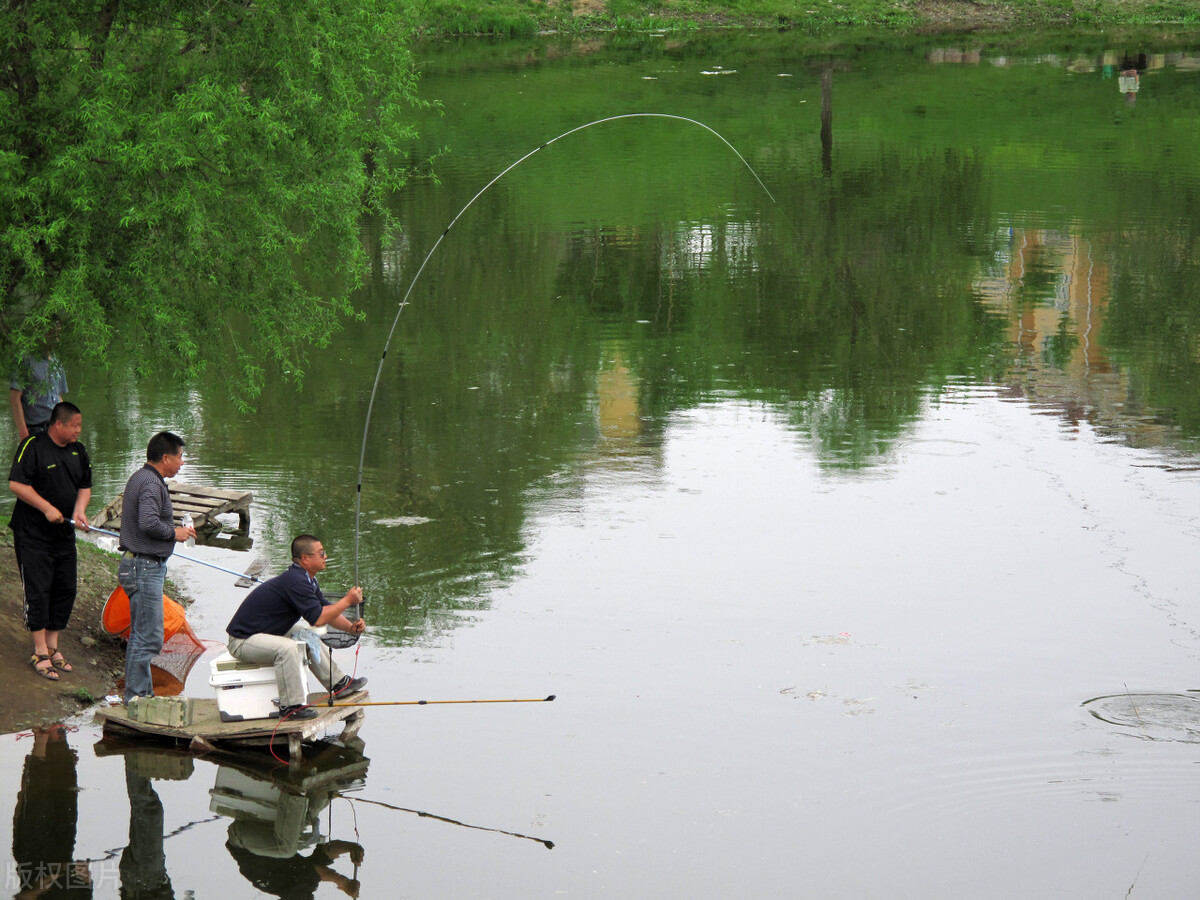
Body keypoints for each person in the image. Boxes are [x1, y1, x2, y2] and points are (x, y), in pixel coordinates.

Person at [225, 534, 366, 721]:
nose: (325, 556)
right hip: (243, 640)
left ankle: (339, 684)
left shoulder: (307, 579)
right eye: (321, 553)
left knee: (308, 636)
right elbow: (318, 619)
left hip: (268, 633)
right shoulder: (296, 581)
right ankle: (291, 707)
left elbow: (325, 610)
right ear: (305, 558)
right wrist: (347, 600)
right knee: (288, 648)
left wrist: (350, 627)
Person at [8, 401, 92, 681]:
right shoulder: (32, 446)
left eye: (80, 426)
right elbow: (16, 484)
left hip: (64, 535)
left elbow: (84, 486)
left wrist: (79, 511)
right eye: (75, 426)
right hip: (33, 535)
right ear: (58, 424)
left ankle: (54, 646)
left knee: (65, 589)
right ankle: (40, 651)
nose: (78, 431)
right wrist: (45, 507)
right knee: (39, 590)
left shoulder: (79, 451)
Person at [117, 431, 196, 705]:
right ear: (165, 458)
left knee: (142, 634)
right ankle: (138, 697)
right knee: (149, 636)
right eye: (180, 457)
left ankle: (138, 694)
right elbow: (148, 523)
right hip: (144, 567)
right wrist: (175, 533)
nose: (182, 462)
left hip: (139, 565)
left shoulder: (142, 477)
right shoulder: (151, 483)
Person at [9, 323, 68, 441]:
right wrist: (23, 434)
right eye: (52, 333)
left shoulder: (57, 361)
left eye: (58, 333)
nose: (56, 339)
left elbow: (59, 397)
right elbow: (15, 398)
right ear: (41, 333)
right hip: (36, 430)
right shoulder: (25, 360)